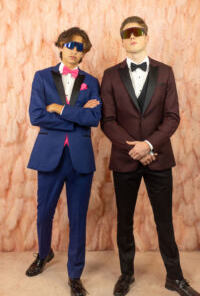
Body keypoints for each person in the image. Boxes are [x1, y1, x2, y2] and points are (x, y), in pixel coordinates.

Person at [101, 16, 199, 296]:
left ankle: (175, 277)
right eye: (127, 33)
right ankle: (126, 275)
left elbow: (172, 117)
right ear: (122, 40)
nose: (132, 36)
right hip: (124, 159)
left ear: (146, 36)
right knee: (125, 220)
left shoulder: (166, 72)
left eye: (137, 32)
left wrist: (148, 145)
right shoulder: (109, 75)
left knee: (164, 220)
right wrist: (134, 148)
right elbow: (107, 120)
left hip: (159, 158)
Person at [26, 27, 101, 296]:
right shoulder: (42, 77)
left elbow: (94, 119)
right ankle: (44, 253)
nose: (74, 51)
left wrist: (59, 109)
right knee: (44, 211)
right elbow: (36, 116)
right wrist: (77, 114)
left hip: (80, 159)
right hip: (49, 155)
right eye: (70, 45)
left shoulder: (91, 81)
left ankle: (74, 274)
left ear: (85, 52)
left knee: (77, 217)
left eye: (80, 47)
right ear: (60, 45)